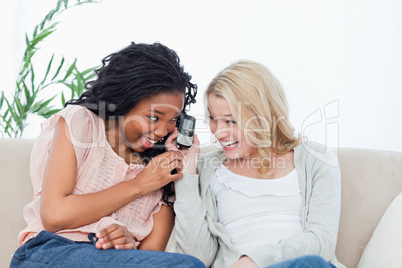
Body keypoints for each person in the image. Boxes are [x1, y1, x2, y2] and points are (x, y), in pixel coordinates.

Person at [10, 42, 205, 268]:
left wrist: (126, 244)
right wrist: (139, 185)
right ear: (123, 101)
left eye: (172, 120)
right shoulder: (81, 124)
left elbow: (151, 258)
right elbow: (54, 216)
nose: (162, 131)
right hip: (50, 250)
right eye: (154, 117)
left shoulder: (161, 173)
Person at [172, 60, 345, 267]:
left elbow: (322, 240)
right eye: (212, 119)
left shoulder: (316, 159)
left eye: (230, 121)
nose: (218, 132)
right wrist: (187, 172)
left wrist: (254, 261)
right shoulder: (206, 168)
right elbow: (196, 257)